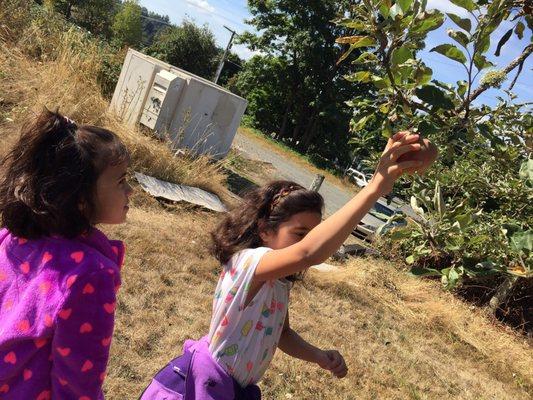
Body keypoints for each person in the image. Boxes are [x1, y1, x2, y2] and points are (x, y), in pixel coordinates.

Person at [140, 131, 426, 400]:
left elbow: (282, 334)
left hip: (235, 389)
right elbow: (308, 254)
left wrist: (318, 355)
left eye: (313, 233)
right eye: (300, 233)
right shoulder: (249, 263)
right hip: (203, 384)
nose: (308, 241)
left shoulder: (277, 282)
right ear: (264, 229)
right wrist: (373, 189)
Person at [0, 109, 132, 399]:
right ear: (82, 199)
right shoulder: (91, 276)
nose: (130, 190)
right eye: (121, 180)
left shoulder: (11, 237)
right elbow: (78, 383)